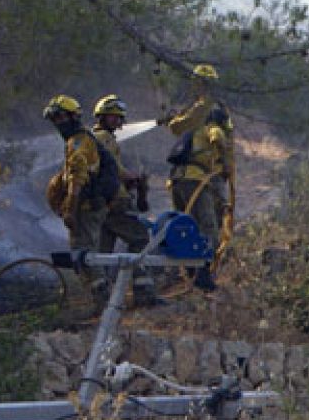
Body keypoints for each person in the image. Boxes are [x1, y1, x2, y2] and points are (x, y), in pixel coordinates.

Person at [164, 64, 233, 291]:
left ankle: (187, 272)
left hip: (176, 180)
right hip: (196, 180)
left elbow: (175, 127)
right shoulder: (211, 119)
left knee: (183, 225)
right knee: (207, 227)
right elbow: (220, 140)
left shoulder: (190, 120)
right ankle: (202, 274)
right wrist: (224, 166)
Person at [89, 94, 156, 302]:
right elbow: (112, 167)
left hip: (101, 204)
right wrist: (131, 177)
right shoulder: (103, 139)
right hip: (115, 203)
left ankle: (102, 298)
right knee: (140, 239)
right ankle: (143, 292)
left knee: (103, 252)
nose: (118, 122)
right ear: (102, 116)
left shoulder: (94, 138)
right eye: (114, 117)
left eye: (120, 118)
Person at [43, 95, 108, 291]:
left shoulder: (77, 142)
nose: (57, 123)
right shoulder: (81, 139)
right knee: (89, 254)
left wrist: (70, 210)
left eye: (61, 117)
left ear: (73, 117)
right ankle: (102, 299)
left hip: (84, 208)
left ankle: (103, 304)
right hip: (90, 206)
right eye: (54, 119)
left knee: (85, 256)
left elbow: (77, 177)